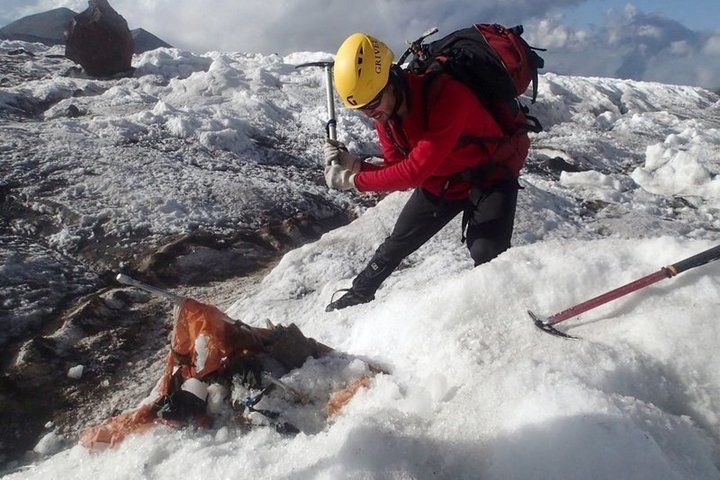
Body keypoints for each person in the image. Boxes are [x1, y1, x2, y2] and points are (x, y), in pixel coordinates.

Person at [323, 32, 530, 312]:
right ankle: (358, 296)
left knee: (486, 250)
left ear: (390, 82)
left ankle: (504, 309)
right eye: (360, 108)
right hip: (445, 180)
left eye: (371, 104)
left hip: (491, 175)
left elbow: (414, 172)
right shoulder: (387, 117)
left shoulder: (447, 95)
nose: (368, 113)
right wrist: (355, 164)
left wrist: (353, 181)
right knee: (397, 243)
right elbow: (397, 169)